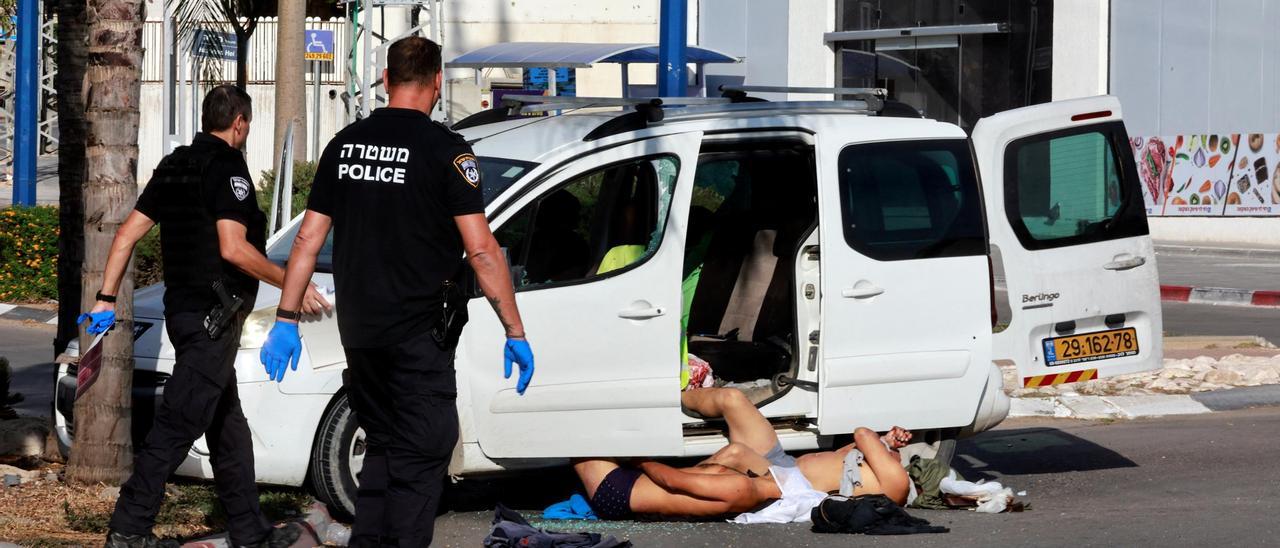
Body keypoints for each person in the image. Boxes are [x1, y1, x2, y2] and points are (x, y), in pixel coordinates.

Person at [258, 36, 535, 547]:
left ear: (385, 80)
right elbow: (482, 250)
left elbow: (307, 238)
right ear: (436, 83)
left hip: (361, 335)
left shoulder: (346, 144)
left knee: (382, 448)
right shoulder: (447, 152)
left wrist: (286, 319)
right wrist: (514, 329)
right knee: (423, 451)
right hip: (417, 338)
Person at [81, 84, 327, 548]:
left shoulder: (173, 165)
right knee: (176, 423)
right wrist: (292, 284)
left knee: (228, 430)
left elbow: (126, 236)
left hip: (184, 314)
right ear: (239, 124)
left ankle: (250, 532)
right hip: (214, 319)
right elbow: (234, 250)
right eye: (248, 124)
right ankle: (129, 529)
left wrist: (105, 298)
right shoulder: (227, 168)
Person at [571, 388, 912, 521]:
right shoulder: (879, 468)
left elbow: (862, 434)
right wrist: (889, 442)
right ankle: (668, 391)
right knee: (732, 399)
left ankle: (698, 475)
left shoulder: (893, 483)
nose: (903, 452)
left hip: (789, 481)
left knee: (577, 430)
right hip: (784, 469)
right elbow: (847, 451)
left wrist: (879, 442)